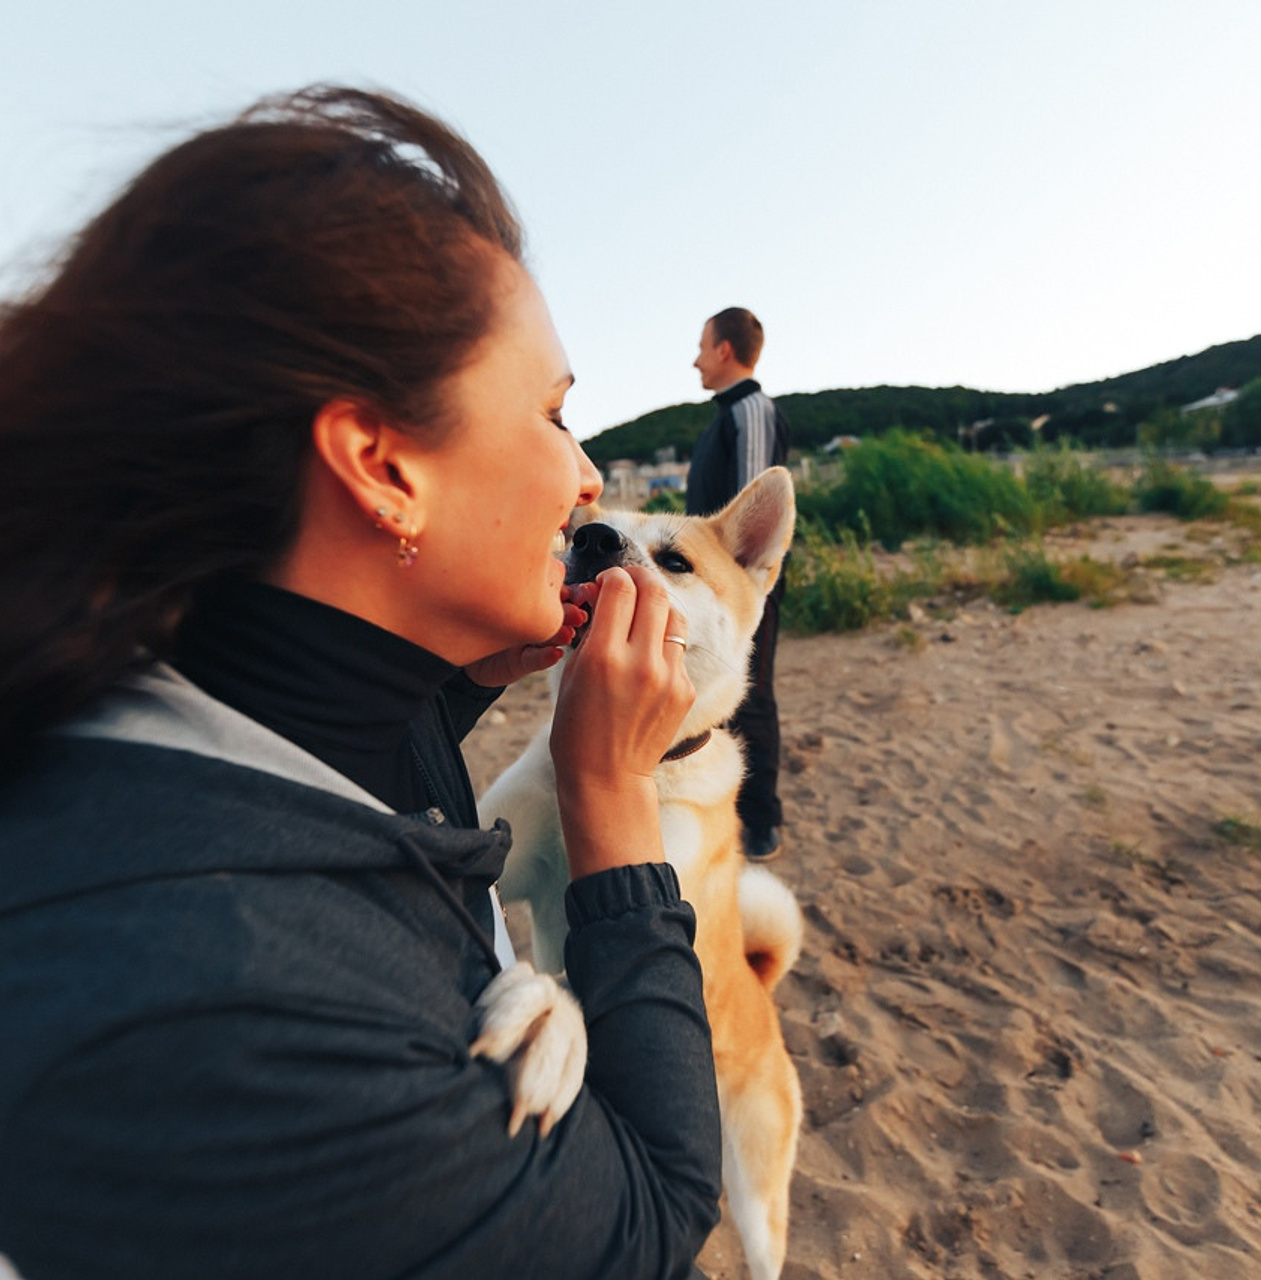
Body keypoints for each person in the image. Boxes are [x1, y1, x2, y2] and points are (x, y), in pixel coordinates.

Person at [0, 87, 722, 1279]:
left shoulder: (147, 690)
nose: (587, 479)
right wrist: (607, 793)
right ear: (382, 465)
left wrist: (457, 674)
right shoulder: (231, 1010)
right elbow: (655, 1212)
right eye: (551, 414)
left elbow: (318, 772)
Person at [685, 307, 789, 863]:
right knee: (715, 696)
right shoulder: (724, 417)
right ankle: (723, 806)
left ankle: (761, 822)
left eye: (702, 346)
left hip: (739, 589)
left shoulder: (751, 410)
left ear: (725, 351)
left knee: (750, 696)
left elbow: (749, 510)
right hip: (708, 590)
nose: (695, 359)